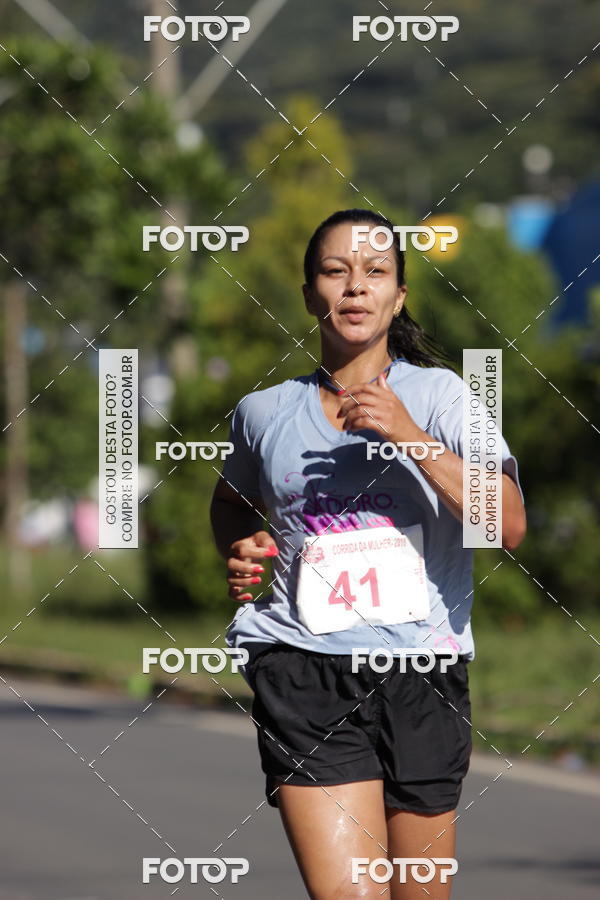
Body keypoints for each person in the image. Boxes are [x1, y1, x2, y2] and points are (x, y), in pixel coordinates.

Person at [210, 208, 526, 899]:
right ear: (308, 295)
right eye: (335, 271)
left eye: (376, 272)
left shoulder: (442, 397)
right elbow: (231, 502)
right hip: (305, 672)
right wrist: (240, 546)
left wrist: (410, 436)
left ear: (398, 296)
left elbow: (507, 523)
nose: (356, 287)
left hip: (423, 675)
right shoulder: (263, 412)